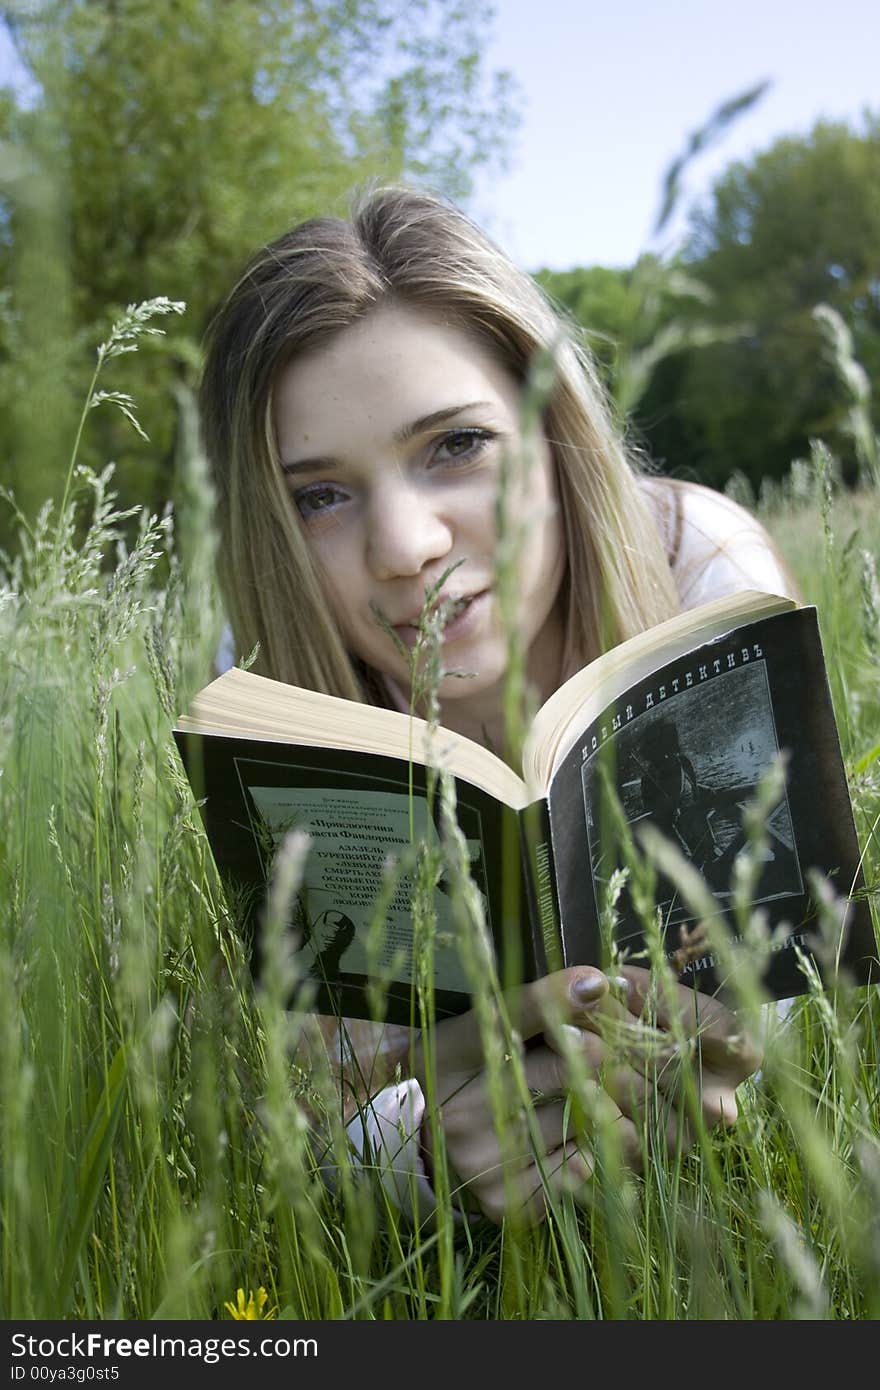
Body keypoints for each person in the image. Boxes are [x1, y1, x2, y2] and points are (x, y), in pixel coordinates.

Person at [198, 184, 799, 1228]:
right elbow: (292, 1088)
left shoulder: (698, 565)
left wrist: (723, 1051)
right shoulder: (264, 674)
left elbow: (789, 967)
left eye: (455, 446)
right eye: (318, 496)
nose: (405, 547)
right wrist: (418, 1159)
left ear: (552, 430)